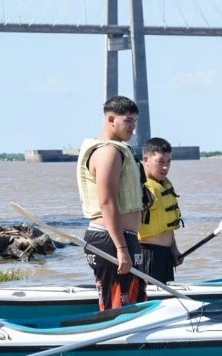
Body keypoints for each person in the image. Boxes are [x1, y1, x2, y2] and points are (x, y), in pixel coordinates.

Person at [76, 95, 147, 311]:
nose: (133, 127)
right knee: (117, 308)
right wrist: (121, 248)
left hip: (122, 238)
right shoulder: (108, 152)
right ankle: (114, 341)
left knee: (134, 302)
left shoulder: (118, 150)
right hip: (110, 239)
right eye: (128, 121)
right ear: (110, 120)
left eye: (135, 121)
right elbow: (106, 202)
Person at [138, 137, 183, 283]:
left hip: (166, 255)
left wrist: (174, 248)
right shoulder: (142, 189)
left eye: (168, 161)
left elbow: (166, 224)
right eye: (160, 161)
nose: (165, 167)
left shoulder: (163, 184)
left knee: (167, 300)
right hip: (147, 255)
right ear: (146, 159)